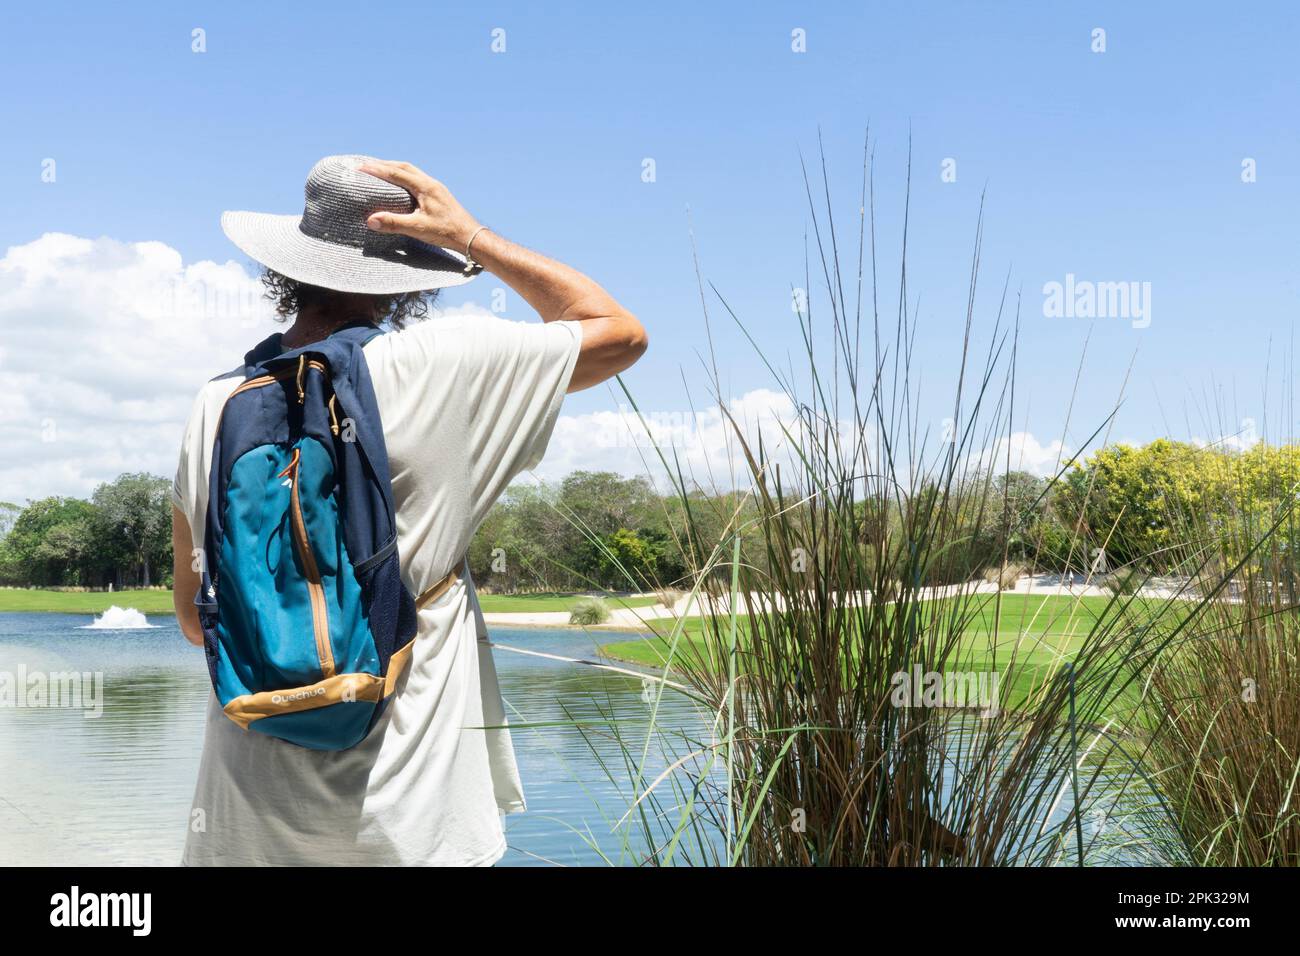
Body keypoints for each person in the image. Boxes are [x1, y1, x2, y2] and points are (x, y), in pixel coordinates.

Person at [169, 155, 647, 865]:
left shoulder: (215, 403)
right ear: (404, 272)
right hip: (411, 811)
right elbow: (618, 332)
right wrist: (471, 234)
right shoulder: (447, 361)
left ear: (289, 267)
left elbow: (190, 619)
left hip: (247, 806)